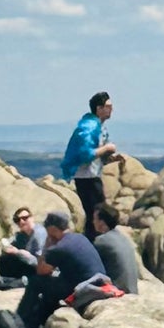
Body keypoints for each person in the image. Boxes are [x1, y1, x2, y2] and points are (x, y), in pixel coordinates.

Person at [18, 211, 108, 328]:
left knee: (36, 282)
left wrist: (46, 246)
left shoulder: (59, 247)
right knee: (52, 287)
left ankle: (20, 320)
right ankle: (41, 320)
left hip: (82, 289)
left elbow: (41, 271)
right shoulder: (80, 237)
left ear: (53, 229)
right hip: (99, 282)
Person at [61, 90, 119, 236]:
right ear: (99, 108)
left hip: (93, 176)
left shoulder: (99, 126)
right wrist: (107, 148)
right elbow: (85, 154)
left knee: (98, 213)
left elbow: (97, 155)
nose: (111, 110)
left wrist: (109, 157)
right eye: (108, 106)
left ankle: (97, 241)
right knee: (96, 215)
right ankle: (95, 244)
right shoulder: (89, 128)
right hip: (86, 179)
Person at [0, 204, 48, 289]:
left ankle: (24, 281)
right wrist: (7, 247)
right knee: (4, 259)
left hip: (41, 269)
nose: (21, 222)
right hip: (29, 265)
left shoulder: (39, 235)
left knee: (11, 259)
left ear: (32, 218)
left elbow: (39, 263)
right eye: (17, 220)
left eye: (25, 218)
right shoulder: (22, 235)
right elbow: (11, 242)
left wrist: (18, 253)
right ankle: (15, 281)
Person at [92, 205, 140, 295]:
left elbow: (90, 266)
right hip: (133, 290)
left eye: (95, 219)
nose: (93, 222)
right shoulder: (123, 237)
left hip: (118, 291)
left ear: (101, 223)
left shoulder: (101, 241)